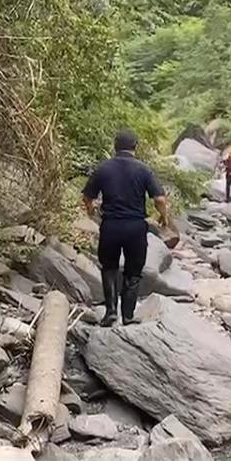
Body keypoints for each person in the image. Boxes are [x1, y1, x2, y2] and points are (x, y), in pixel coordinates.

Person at [82, 129, 171, 327]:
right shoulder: (143, 170)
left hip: (110, 226)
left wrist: (91, 211)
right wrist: (163, 217)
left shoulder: (103, 168)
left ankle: (111, 312)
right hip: (135, 228)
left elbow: (88, 197)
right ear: (135, 147)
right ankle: (128, 316)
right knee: (133, 271)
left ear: (115, 147)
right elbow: (159, 199)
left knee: (109, 268)